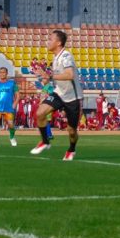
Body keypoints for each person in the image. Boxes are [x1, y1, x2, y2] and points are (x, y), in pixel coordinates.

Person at [31, 30, 83, 161]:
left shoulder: (66, 56)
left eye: (51, 39)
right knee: (39, 113)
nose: (48, 42)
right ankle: (45, 141)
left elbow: (69, 75)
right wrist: (45, 79)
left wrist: (50, 76)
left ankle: (71, 149)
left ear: (58, 42)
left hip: (72, 98)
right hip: (59, 93)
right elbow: (56, 78)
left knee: (71, 131)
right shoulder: (56, 57)